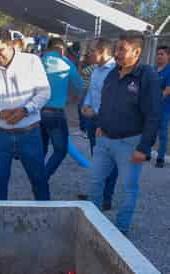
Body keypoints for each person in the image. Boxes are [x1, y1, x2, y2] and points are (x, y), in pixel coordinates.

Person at [87, 31, 162, 235]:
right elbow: (105, 101)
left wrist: (144, 148)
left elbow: (154, 115)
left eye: (123, 49)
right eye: (117, 48)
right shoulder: (113, 73)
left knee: (128, 189)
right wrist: (101, 124)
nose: (117, 53)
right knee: (94, 183)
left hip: (130, 144)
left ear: (137, 51)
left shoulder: (147, 76)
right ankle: (93, 227)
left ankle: (121, 230)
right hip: (104, 141)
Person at [0, 27, 51, 201]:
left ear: (11, 45)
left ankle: (46, 218)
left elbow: (44, 92)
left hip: (29, 133)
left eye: (0, 50)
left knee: (39, 179)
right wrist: (0, 113)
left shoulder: (32, 61)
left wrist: (26, 110)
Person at [80, 38, 118, 210]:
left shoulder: (115, 70)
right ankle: (96, 195)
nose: (89, 53)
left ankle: (106, 198)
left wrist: (96, 111)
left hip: (107, 121)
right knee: (97, 159)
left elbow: (114, 100)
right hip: (93, 120)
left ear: (103, 51)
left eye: (92, 50)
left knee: (109, 161)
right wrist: (86, 105)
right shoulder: (96, 70)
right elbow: (92, 91)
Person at [40, 37, 84, 181]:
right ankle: (44, 176)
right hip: (55, 112)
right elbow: (79, 85)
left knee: (41, 148)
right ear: (61, 49)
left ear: (48, 48)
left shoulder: (37, 62)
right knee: (60, 149)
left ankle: (37, 174)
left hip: (36, 112)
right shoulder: (66, 63)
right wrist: (71, 98)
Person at [153, 46, 170, 168]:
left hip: (163, 108)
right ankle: (146, 153)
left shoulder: (169, 71)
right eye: (158, 54)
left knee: (162, 134)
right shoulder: (153, 69)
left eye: (162, 54)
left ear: (168, 56)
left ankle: (160, 158)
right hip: (150, 107)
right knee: (149, 131)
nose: (159, 56)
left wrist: (156, 101)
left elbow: (167, 90)